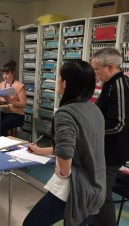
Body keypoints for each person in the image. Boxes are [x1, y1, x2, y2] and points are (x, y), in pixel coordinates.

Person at [23, 61, 106, 226]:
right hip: (96, 186)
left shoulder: (66, 113)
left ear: (65, 83)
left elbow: (66, 153)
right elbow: (79, 146)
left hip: (75, 188)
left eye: (59, 78)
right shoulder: (93, 109)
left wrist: (63, 170)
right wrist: (40, 151)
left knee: (31, 223)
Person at [88, 48, 129, 226]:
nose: (94, 73)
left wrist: (90, 131)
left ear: (110, 67)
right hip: (104, 149)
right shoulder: (110, 84)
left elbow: (118, 124)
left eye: (97, 69)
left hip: (112, 153)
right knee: (98, 193)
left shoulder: (119, 85)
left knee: (102, 196)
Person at [0, 59, 27, 138]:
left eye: (7, 73)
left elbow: (23, 104)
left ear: (13, 73)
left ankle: (8, 145)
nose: (4, 76)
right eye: (3, 73)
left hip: (16, 114)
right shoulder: (1, 84)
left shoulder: (19, 86)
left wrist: (11, 100)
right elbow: (1, 100)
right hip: (3, 113)